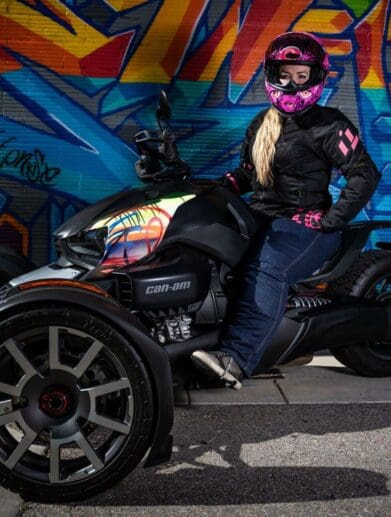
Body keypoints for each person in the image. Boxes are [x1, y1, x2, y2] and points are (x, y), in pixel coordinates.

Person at [191, 31, 381, 389]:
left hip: (303, 226)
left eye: (301, 76)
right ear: (271, 74)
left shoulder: (329, 124)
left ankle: (237, 359)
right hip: (262, 216)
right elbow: (250, 174)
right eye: (285, 74)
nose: (291, 83)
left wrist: (331, 220)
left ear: (315, 79)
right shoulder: (262, 123)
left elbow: (363, 173)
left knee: (267, 267)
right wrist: (212, 188)